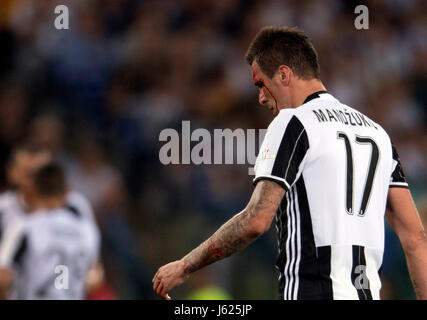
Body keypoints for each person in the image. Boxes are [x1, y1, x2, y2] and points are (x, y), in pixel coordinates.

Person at [153, 26, 427, 300]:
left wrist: (186, 265)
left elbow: (255, 220)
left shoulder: (293, 122)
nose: (260, 97)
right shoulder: (378, 134)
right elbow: (416, 239)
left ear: (284, 74)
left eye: (261, 83)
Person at [0, 162, 99, 299]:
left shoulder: (24, 227)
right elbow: (95, 276)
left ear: (31, 192)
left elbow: (3, 278)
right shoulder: (86, 230)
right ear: (66, 192)